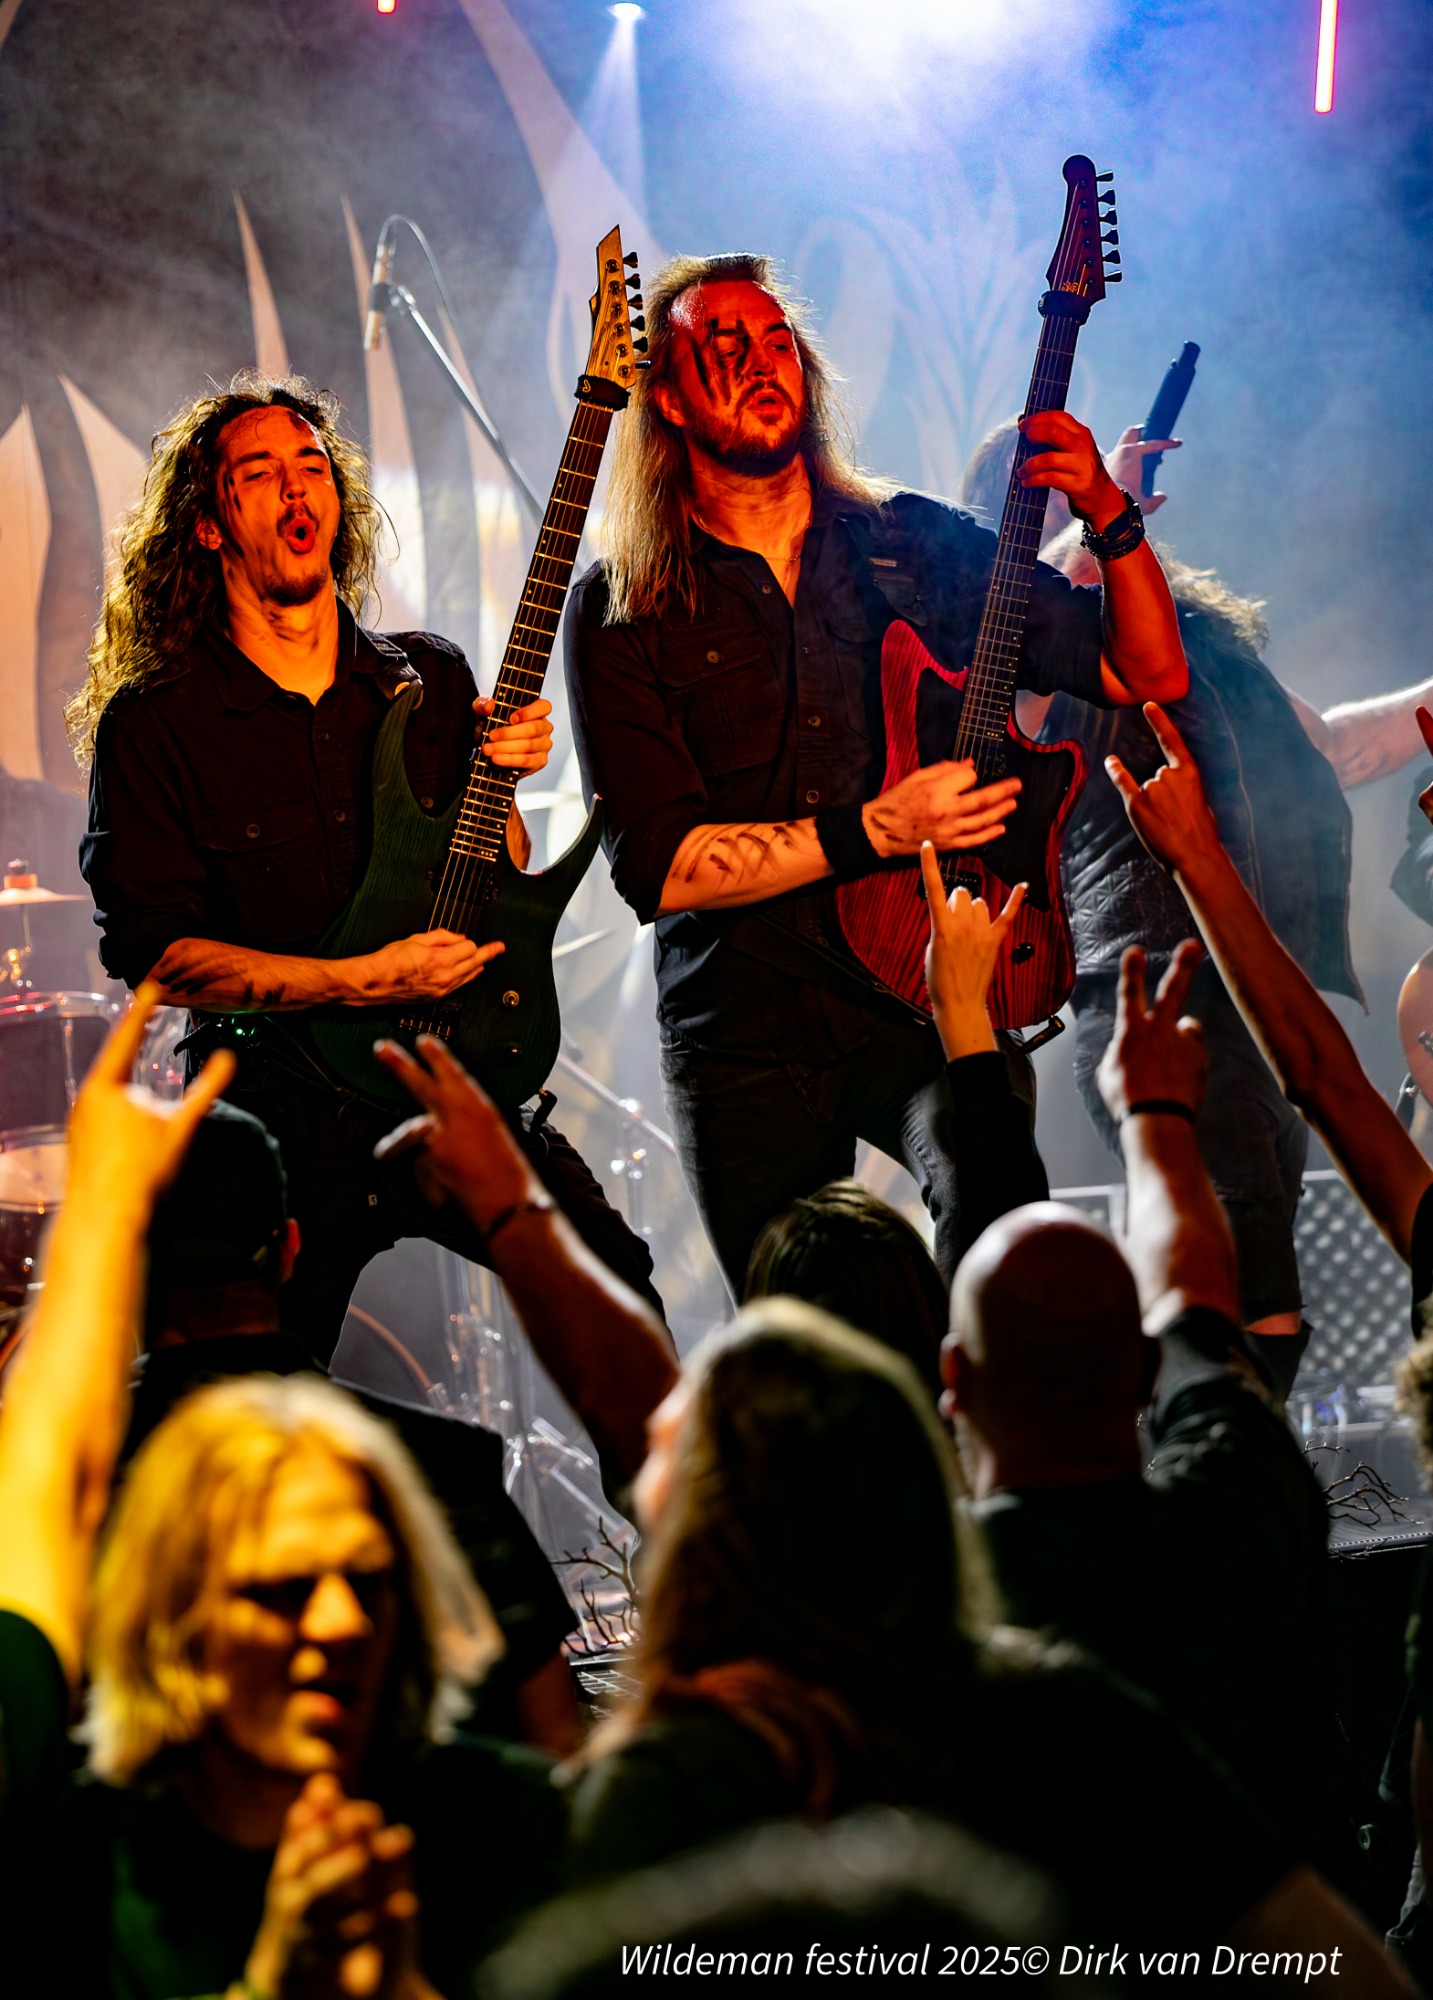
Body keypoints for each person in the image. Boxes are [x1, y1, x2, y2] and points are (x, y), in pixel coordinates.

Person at [565, 253, 1188, 1297]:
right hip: (743, 1024)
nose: (761, 362)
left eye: (777, 342)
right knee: (801, 1332)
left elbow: (1142, 669)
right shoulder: (622, 602)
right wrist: (876, 829)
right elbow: (656, 868)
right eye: (724, 345)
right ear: (667, 399)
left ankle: (983, 1390)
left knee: (1001, 1232)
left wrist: (1103, 509)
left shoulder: (912, 541)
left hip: (925, 987)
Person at [562, 1300, 1410, 1984]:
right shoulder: (1066, 1712)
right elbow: (1328, 1959)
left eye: (658, 1457)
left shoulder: (665, 1786)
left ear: (696, 1535)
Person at [75, 370, 659, 1361]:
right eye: (259, 472)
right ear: (208, 526)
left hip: (448, 1074)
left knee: (621, 1291)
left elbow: (497, 881)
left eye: (313, 466)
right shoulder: (156, 723)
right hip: (280, 1102)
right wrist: (361, 981)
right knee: (249, 1378)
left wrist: (501, 779)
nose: (296, 486)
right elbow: (161, 960)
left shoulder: (428, 675)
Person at [0, 989, 565, 1999]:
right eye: (280, 1592)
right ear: (292, 1247)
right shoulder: (442, 1468)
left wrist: (98, 1227)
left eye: (362, 1581)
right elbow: (555, 1729)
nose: (338, 1622)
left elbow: (39, 1496)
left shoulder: (75, 1862)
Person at [961, 418, 1359, 1395]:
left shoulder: (1192, 638)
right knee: (1240, 1275)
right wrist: (1104, 511)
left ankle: (1223, 1455)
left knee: (1260, 1274)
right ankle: (1213, 1464)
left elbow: (1332, 747)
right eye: (1044, 490)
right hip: (1156, 990)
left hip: (1262, 984)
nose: (1079, 498)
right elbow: (1034, 623)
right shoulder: (1021, 641)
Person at [943, 939, 1333, 1854]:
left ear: (955, 1381)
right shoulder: (1237, 1501)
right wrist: (1154, 1113)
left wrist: (965, 1028)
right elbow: (1196, 1303)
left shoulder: (932, 1601)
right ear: (1141, 1369)